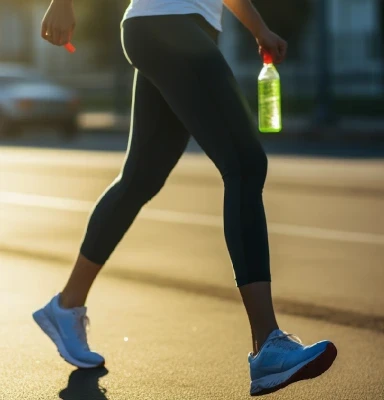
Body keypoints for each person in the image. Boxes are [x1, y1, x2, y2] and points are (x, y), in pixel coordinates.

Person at [33, 0, 337, 396]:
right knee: (244, 163)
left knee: (140, 179)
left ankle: (66, 305)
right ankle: (267, 344)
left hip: (172, 30)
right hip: (168, 25)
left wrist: (258, 27)